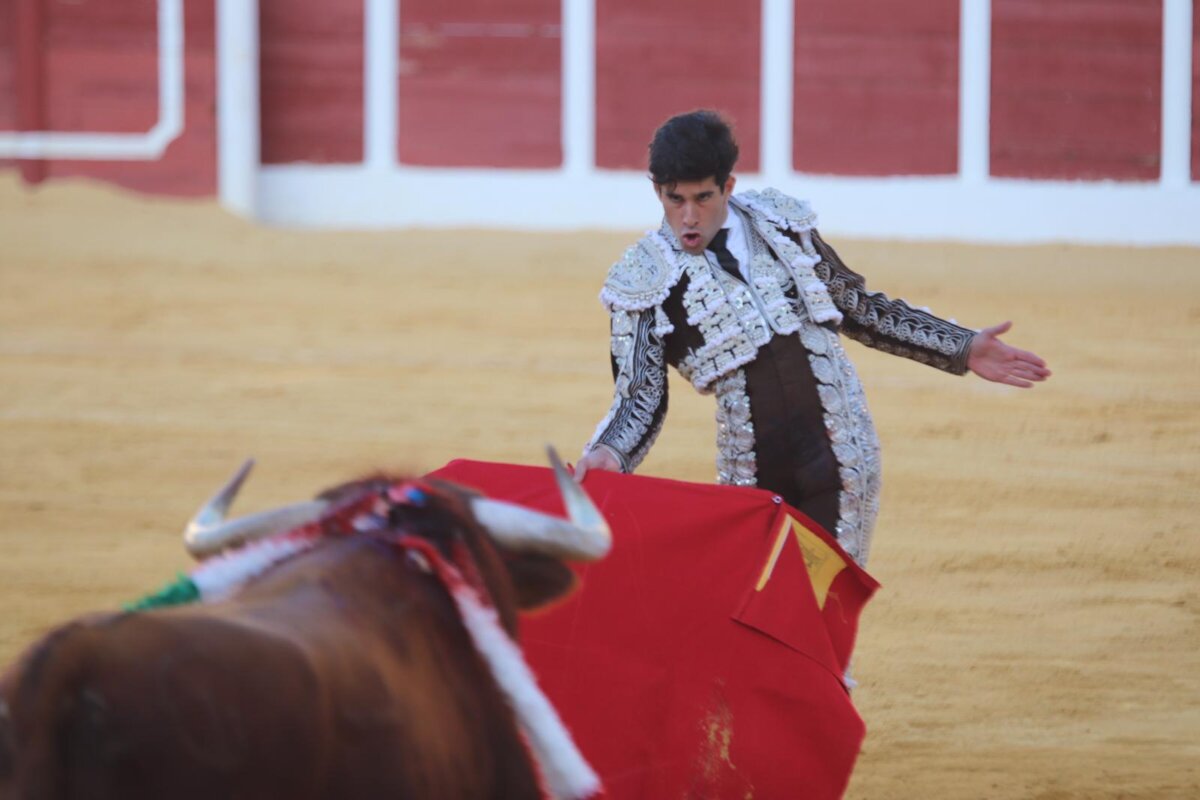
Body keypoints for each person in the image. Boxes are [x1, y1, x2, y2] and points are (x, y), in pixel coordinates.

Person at [573, 109, 1050, 567]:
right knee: (755, 620)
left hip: (839, 457)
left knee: (822, 612)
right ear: (657, 192)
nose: (689, 217)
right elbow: (641, 395)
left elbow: (861, 310)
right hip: (752, 476)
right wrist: (609, 450)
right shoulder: (644, 282)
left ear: (728, 187)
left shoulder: (784, 227)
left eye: (703, 198)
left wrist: (961, 346)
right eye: (676, 200)